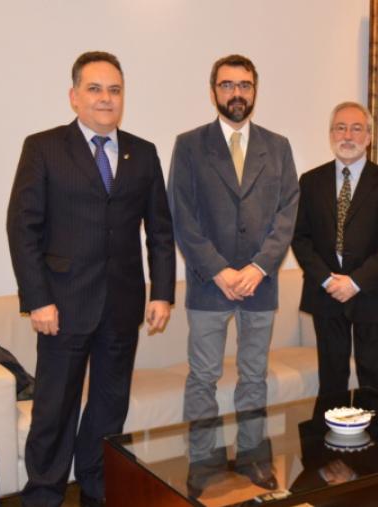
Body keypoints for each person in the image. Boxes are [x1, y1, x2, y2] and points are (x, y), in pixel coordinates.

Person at [6, 51, 175, 507]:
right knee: (53, 412)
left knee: (108, 408)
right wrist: (36, 299)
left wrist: (162, 293)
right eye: (95, 89)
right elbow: (22, 228)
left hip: (121, 307)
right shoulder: (43, 148)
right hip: (61, 306)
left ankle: (98, 491)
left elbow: (159, 230)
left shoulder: (143, 152)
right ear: (74, 96)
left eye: (115, 90)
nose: (106, 98)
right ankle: (43, 495)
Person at [167, 54, 299, 488]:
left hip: (260, 285)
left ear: (255, 91)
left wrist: (260, 267)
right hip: (209, 286)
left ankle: (252, 455)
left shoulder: (277, 146)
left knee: (254, 375)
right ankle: (203, 461)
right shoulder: (189, 145)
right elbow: (182, 217)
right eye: (227, 85)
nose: (236, 93)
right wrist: (221, 271)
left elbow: (287, 213)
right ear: (213, 92)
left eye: (244, 85)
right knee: (203, 377)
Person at [291, 101, 378, 396]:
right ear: (331, 134)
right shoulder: (310, 182)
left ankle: (376, 441)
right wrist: (329, 280)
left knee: (375, 381)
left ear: (368, 136)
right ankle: (329, 442)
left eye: (357, 129)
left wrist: (355, 282)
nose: (348, 135)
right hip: (325, 295)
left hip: (372, 294)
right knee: (331, 381)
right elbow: (300, 238)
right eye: (340, 128)